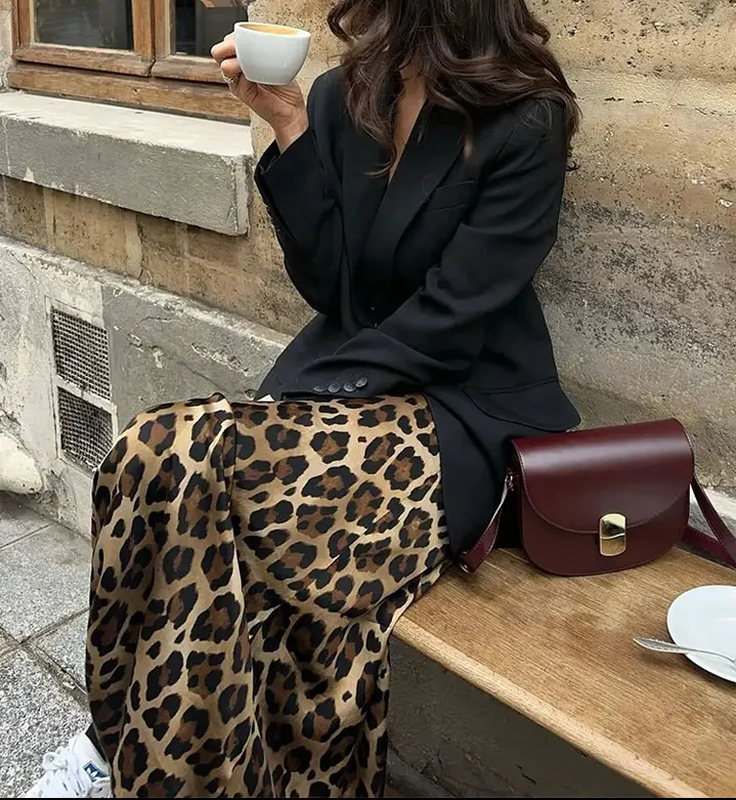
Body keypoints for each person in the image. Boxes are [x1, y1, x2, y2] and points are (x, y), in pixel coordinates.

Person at [25, 0, 580, 796]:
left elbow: (451, 320)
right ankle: (115, 743)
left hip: (460, 410)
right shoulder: (348, 93)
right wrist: (287, 122)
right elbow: (334, 288)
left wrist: (297, 404)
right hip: (353, 388)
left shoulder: (526, 119)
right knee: (154, 461)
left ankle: (127, 754)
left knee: (193, 459)